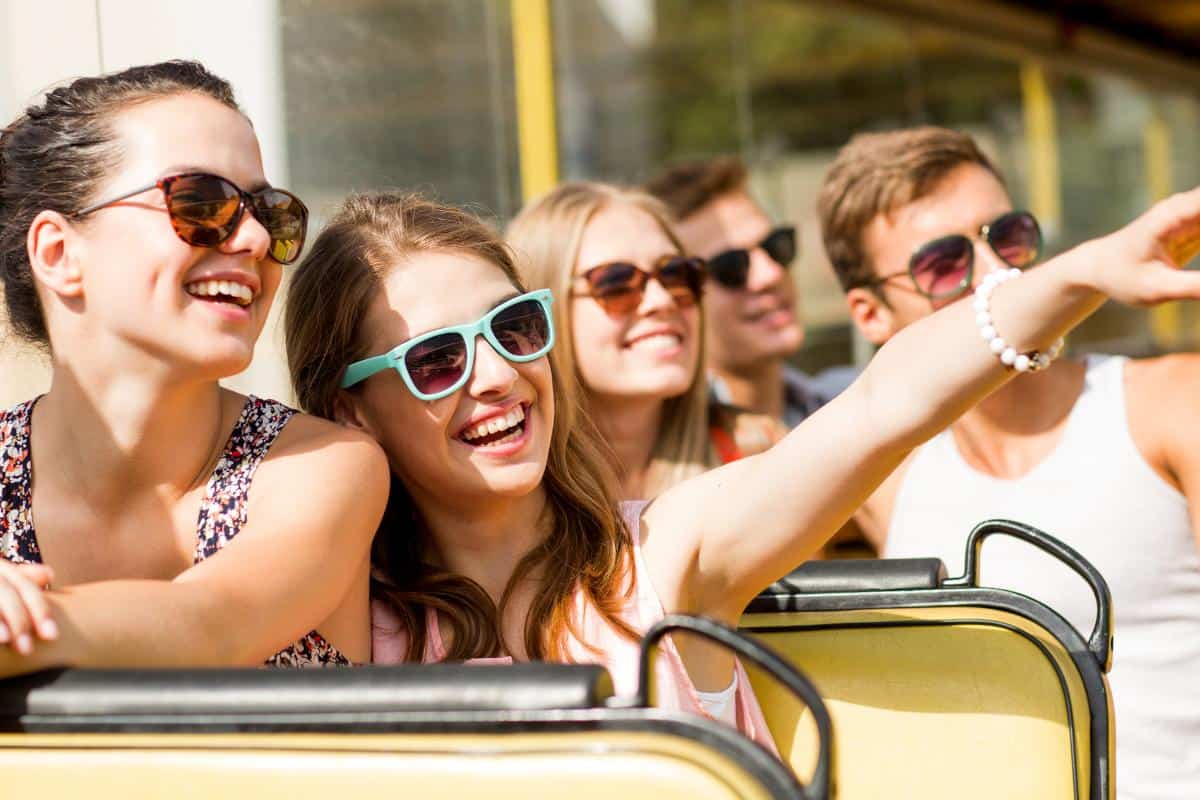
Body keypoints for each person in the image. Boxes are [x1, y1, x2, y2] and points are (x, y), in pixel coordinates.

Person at [285, 186, 1200, 753]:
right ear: (352, 408)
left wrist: (1080, 274)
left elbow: (883, 405)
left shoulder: (661, 556)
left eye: (515, 327)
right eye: (436, 359)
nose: (496, 375)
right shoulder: (340, 623)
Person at [817, 125, 1200, 799]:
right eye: (944, 263)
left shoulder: (1170, 402)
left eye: (1009, 235)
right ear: (870, 314)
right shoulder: (883, 477)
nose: (998, 271)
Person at [0, 60, 389, 674]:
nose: (256, 240)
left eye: (271, 213)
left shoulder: (323, 466)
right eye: (201, 202)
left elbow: (214, 625)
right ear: (59, 253)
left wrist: (24, 625)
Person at [507, 182, 784, 500]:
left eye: (677, 275)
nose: (661, 300)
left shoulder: (763, 456)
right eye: (616, 283)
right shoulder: (508, 499)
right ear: (541, 315)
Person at [645, 157, 853, 428]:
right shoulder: (658, 449)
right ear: (675, 301)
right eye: (731, 267)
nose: (770, 275)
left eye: (775, 247)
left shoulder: (854, 402)